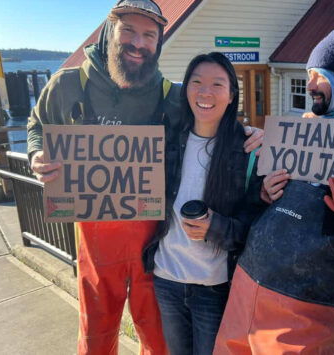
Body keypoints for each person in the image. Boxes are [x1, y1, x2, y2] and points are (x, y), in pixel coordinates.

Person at [26, 1, 262, 354]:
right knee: (95, 338)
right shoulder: (67, 83)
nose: (138, 43)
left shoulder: (170, 96)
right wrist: (35, 155)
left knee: (158, 340)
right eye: (129, 31)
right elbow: (37, 125)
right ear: (110, 31)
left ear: (158, 43)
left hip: (152, 245)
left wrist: (247, 133)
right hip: (93, 239)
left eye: (149, 35)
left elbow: (210, 113)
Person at [214, 26, 334, 354]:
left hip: (307, 310)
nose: (310, 84)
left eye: (321, 76)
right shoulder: (299, 129)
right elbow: (262, 206)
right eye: (309, 74)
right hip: (248, 290)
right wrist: (264, 194)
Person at [141, 52, 266, 355]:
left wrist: (215, 227)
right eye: (196, 82)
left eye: (217, 84)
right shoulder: (167, 140)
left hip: (215, 287)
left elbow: (255, 231)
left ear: (231, 94)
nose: (205, 92)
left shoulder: (250, 149)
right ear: (185, 90)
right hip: (166, 279)